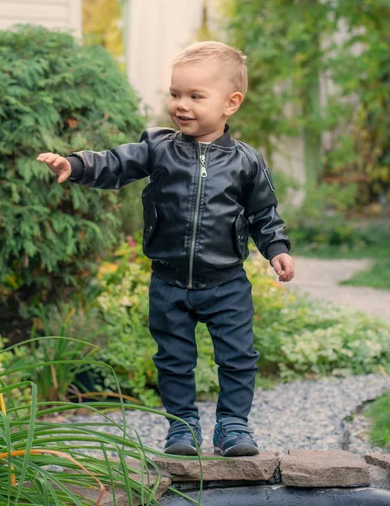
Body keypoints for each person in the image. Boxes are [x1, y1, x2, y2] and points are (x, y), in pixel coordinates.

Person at [37, 41, 295, 457]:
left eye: (196, 96)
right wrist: (78, 164)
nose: (182, 105)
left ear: (231, 103)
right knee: (173, 359)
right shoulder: (158, 147)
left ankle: (232, 425)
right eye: (176, 94)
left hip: (226, 282)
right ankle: (181, 427)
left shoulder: (246, 161)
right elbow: (115, 163)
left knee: (238, 357)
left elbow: (264, 213)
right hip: (169, 281)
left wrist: (277, 248)